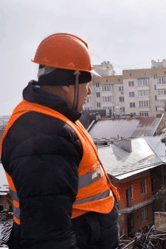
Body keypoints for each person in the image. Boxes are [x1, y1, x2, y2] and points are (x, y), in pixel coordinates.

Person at [0, 33, 120, 249]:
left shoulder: (55, 120)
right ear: (68, 82)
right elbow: (48, 237)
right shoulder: (43, 136)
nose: (89, 90)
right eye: (86, 82)